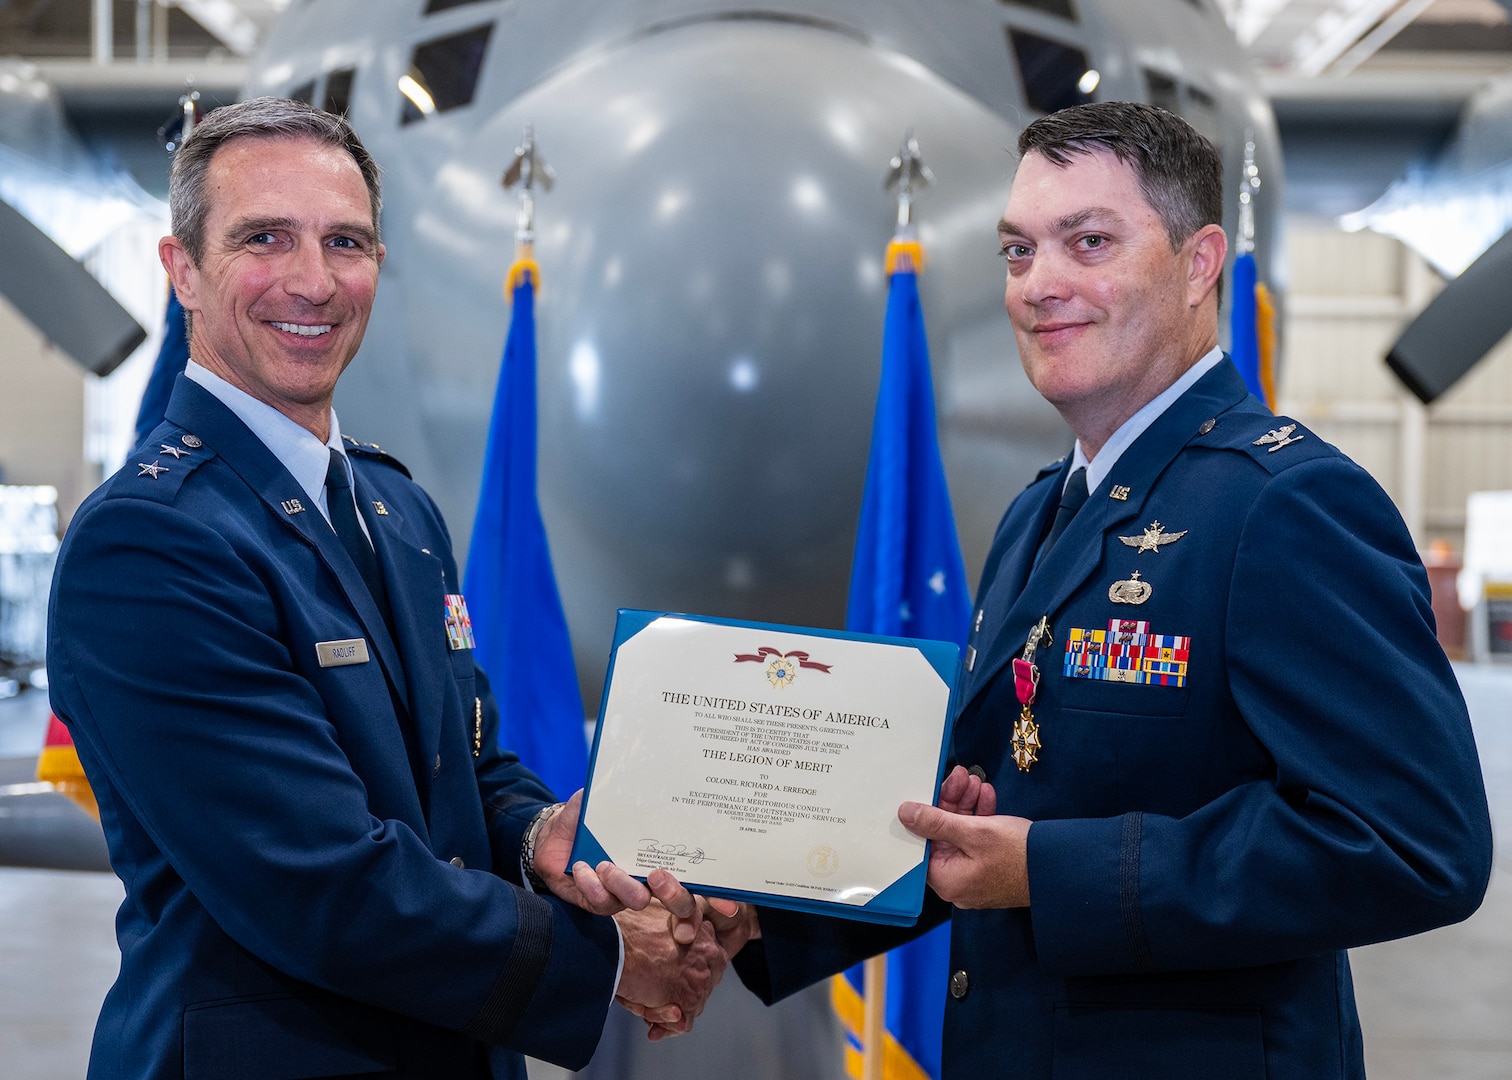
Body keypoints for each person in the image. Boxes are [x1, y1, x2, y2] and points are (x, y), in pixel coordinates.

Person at [716, 102, 1493, 1079]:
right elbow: (984, 809)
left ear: (1201, 260)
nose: (1041, 285)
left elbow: (1416, 843)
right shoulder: (1041, 512)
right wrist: (756, 918)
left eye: (1088, 242)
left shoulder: (1286, 506)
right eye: (1016, 252)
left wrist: (1047, 873)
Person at [47, 97, 722, 1080]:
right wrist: (613, 957)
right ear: (182, 269)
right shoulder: (151, 546)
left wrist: (544, 832)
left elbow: (466, 760)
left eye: (347, 241)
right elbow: (317, 883)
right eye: (265, 238)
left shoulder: (396, 511)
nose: (314, 282)